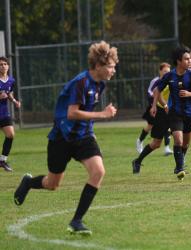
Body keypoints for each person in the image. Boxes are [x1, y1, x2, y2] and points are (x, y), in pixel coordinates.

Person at [13, 41, 118, 235]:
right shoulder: (81, 82)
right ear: (98, 65)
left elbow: (86, 112)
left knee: (98, 172)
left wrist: (91, 131)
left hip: (84, 137)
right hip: (61, 137)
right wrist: (103, 115)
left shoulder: (100, 84)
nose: (113, 70)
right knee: (52, 184)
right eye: (111, 66)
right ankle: (28, 182)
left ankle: (76, 221)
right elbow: (72, 113)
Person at [150, 46, 191, 181]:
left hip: (189, 113)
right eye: (186, 59)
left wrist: (189, 94)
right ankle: (180, 168)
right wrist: (154, 106)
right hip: (174, 113)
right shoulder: (170, 76)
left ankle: (179, 164)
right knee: (178, 140)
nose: (189, 61)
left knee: (185, 144)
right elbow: (157, 89)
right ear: (178, 61)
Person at [132, 62, 175, 174]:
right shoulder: (165, 80)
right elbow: (155, 92)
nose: (167, 73)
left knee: (179, 136)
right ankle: (137, 160)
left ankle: (179, 166)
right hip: (161, 111)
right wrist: (156, 105)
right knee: (156, 143)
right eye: (165, 71)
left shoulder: (188, 78)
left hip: (174, 112)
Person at [0, 57, 21, 172]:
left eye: (5, 64)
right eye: (1, 64)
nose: (3, 66)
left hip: (3, 113)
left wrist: (15, 101)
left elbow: (9, 94)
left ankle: (2, 161)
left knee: (10, 134)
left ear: (8, 66)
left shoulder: (11, 81)